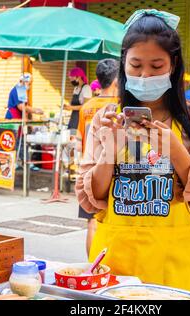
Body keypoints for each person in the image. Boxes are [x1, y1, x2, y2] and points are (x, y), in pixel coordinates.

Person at [76, 9, 190, 292]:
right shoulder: (105, 119)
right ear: (123, 64)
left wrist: (177, 152)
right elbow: (91, 199)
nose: (145, 75)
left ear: (174, 66)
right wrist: (110, 148)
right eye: (135, 65)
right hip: (115, 271)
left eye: (157, 66)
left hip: (176, 271)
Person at [77, 59, 119, 257]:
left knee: (91, 223)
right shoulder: (116, 108)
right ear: (116, 81)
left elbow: (78, 140)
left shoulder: (87, 106)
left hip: (89, 167)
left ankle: (91, 265)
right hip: (108, 169)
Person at [5, 73, 43, 171]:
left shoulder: (21, 90)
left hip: (19, 118)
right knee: (17, 141)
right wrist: (35, 110)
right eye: (29, 83)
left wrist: (27, 121)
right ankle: (20, 163)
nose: (29, 85)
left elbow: (24, 109)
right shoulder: (19, 90)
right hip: (13, 118)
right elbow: (21, 107)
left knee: (22, 140)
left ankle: (22, 162)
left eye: (30, 83)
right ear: (24, 81)